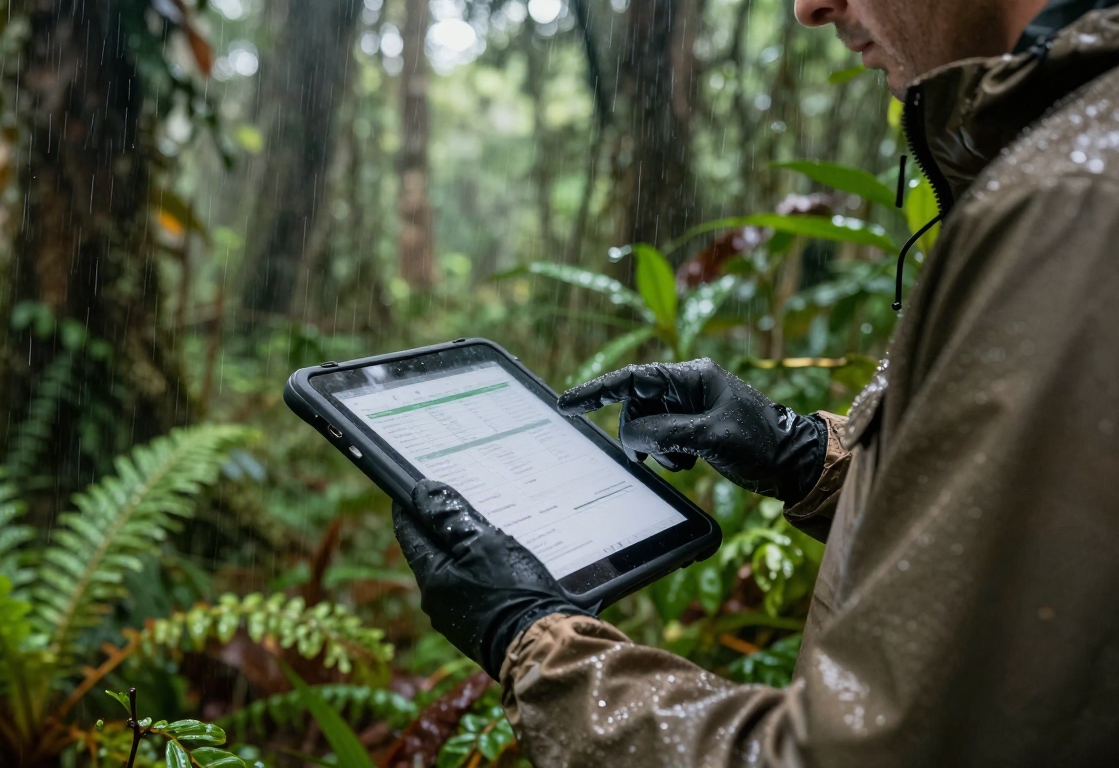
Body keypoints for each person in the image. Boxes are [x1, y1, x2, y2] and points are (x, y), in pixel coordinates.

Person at [391, 0, 1119, 764]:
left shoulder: (1072, 200)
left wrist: (533, 641)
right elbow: (1030, 556)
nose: (809, 8)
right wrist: (808, 455)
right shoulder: (1070, 153)